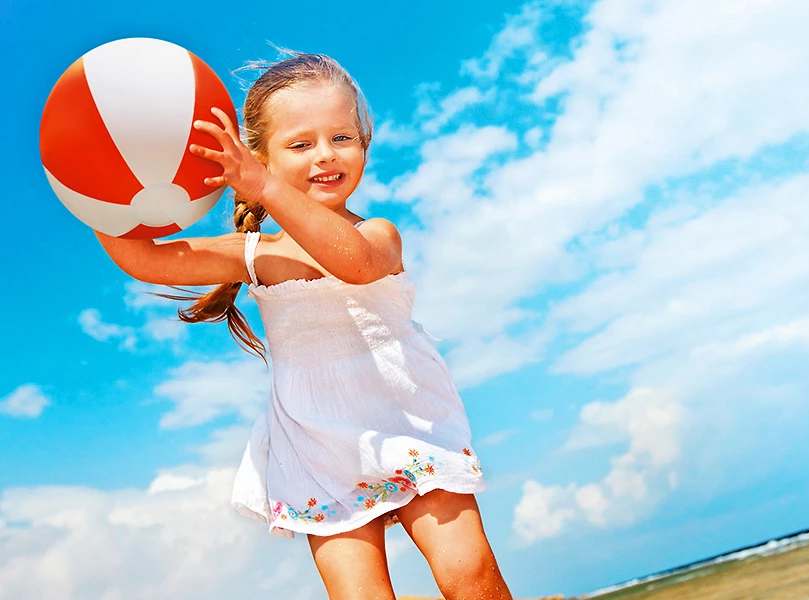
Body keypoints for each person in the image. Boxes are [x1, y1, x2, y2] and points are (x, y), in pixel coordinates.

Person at [94, 52, 512, 600]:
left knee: (468, 573)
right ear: (259, 156)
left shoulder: (379, 235)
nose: (325, 155)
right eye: (299, 144)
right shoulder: (255, 255)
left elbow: (353, 265)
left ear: (363, 143)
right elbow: (143, 259)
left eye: (342, 137)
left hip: (409, 424)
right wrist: (98, 181)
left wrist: (267, 188)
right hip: (316, 441)